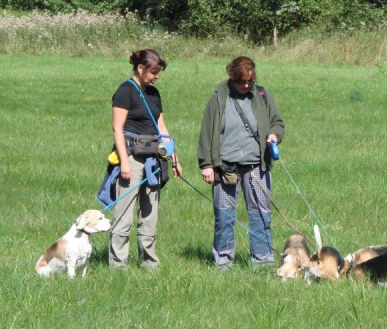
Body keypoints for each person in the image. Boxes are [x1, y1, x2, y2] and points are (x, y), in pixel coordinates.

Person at [197, 56, 285, 269]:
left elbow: (278, 123)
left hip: (257, 166)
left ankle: (263, 260)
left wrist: (274, 135)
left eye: (250, 82)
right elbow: (207, 132)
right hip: (225, 167)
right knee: (224, 216)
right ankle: (223, 261)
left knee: (261, 214)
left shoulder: (262, 95)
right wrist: (206, 164)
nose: (246, 86)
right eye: (241, 82)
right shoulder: (218, 98)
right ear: (232, 77)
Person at [109, 49, 183, 271]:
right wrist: (123, 162)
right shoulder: (125, 91)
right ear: (140, 68)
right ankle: (118, 266)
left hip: (154, 160)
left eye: (158, 72)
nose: (156, 76)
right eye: (153, 72)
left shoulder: (154, 94)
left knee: (149, 216)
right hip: (131, 159)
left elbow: (162, 129)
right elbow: (117, 129)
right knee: (123, 215)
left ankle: (149, 264)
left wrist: (175, 159)